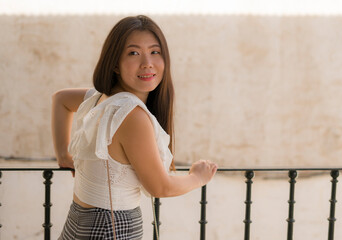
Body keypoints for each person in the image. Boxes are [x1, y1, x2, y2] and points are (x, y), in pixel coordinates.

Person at [51, 15, 218, 240]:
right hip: (112, 227)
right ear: (114, 64)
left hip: (79, 219)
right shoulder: (131, 115)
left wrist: (63, 154)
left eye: (155, 52)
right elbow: (161, 187)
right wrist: (198, 178)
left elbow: (60, 99)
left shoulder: (100, 98)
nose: (147, 62)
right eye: (133, 53)